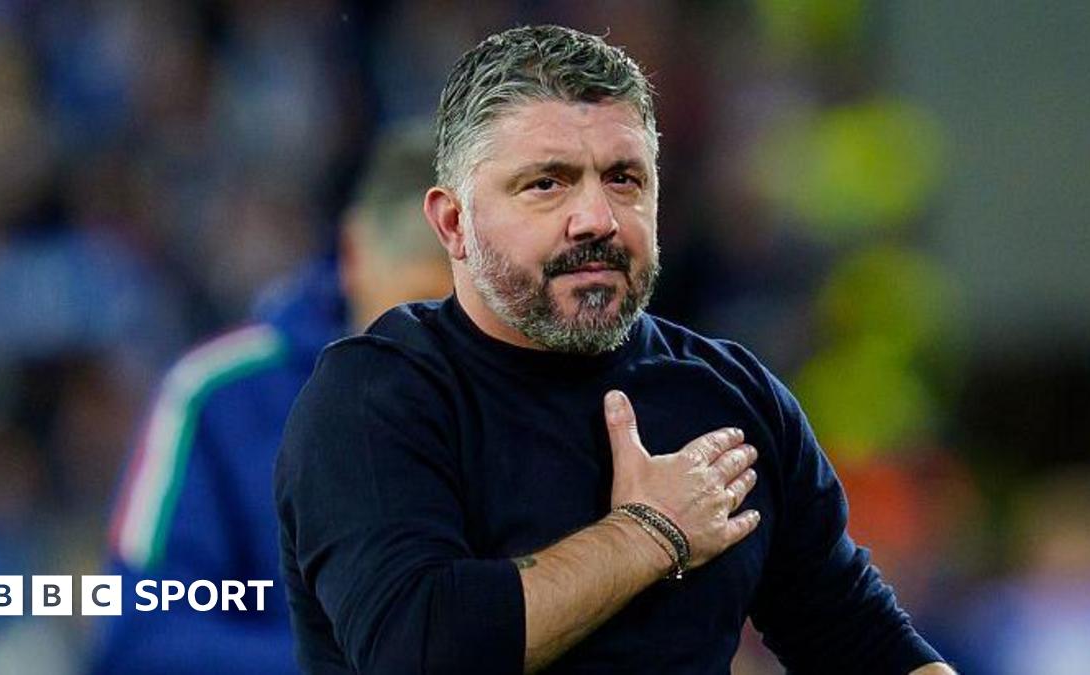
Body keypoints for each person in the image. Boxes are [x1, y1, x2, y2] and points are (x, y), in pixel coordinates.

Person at [276, 25, 954, 675]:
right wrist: (646, 532)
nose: (597, 220)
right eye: (547, 183)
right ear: (453, 223)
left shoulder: (731, 397)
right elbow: (418, 651)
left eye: (624, 179)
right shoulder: (375, 398)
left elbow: (860, 641)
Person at [93, 125, 452, 673]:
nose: (442, 347)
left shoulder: (556, 398)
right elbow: (140, 633)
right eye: (417, 308)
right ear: (354, 255)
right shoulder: (220, 398)